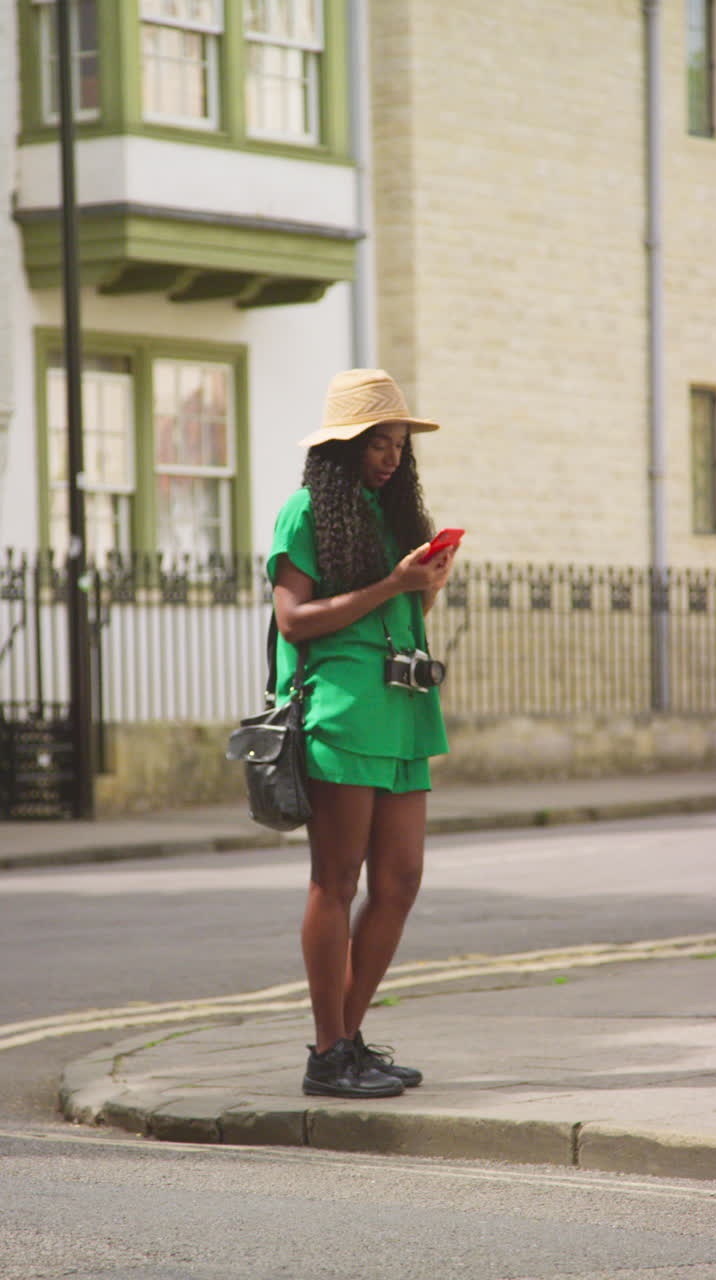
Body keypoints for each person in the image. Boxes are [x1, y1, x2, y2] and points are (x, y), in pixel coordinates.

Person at [267, 368, 457, 1099]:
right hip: (342, 712)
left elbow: (397, 622)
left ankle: (344, 1042)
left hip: (406, 709)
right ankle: (327, 1050)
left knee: (401, 880)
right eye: (377, 442)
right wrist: (393, 586)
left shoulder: (394, 519)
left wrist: (426, 589)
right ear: (342, 446)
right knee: (337, 880)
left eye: (399, 444)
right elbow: (294, 620)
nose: (391, 456)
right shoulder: (303, 511)